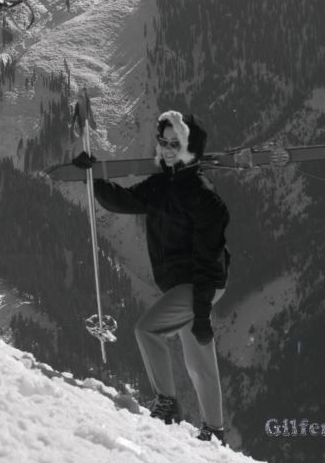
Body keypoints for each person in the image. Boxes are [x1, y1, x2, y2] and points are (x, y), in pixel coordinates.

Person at [76, 110, 231, 442]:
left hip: (201, 282)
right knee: (197, 355)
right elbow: (127, 201)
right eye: (163, 142)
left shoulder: (202, 194)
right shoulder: (163, 184)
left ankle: (167, 403)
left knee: (148, 329)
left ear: (190, 147)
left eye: (176, 143)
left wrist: (201, 308)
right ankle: (215, 430)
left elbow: (210, 257)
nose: (168, 149)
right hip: (186, 283)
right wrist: (96, 179)